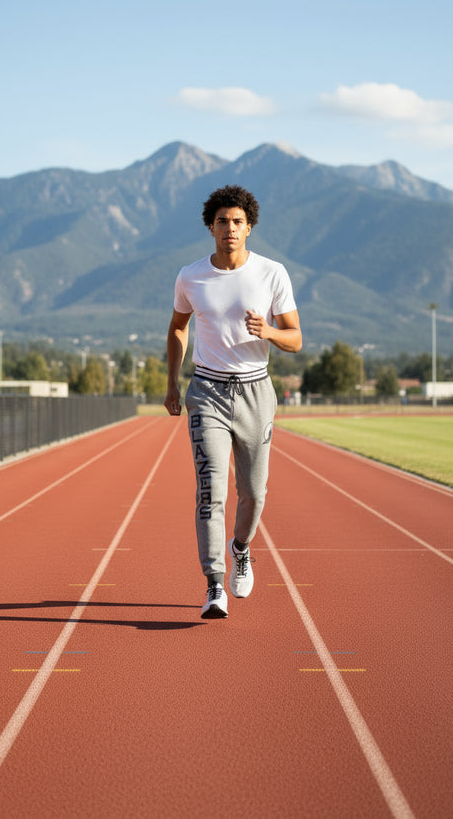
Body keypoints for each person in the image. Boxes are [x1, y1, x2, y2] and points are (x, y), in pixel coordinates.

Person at [164, 185, 302, 619]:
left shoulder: (272, 273)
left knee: (254, 493)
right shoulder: (190, 276)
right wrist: (172, 383)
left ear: (249, 227)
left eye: (238, 221)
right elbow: (178, 328)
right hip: (206, 391)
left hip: (256, 391)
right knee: (211, 490)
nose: (230, 228)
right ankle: (214, 585)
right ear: (211, 226)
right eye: (222, 221)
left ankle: (240, 547)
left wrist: (269, 332)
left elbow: (296, 338)